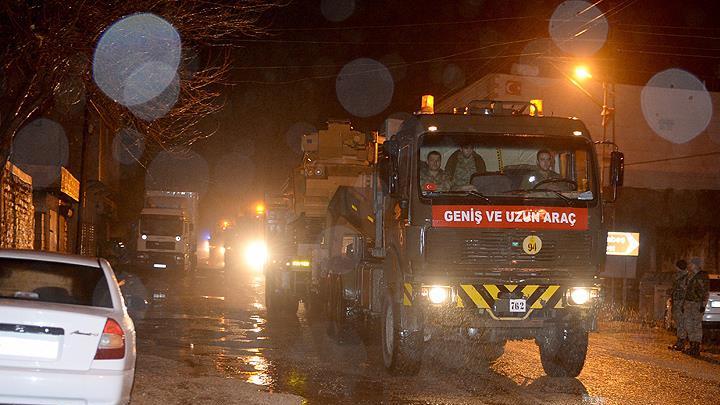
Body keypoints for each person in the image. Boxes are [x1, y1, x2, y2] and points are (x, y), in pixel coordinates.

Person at [681, 257, 709, 356]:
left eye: (691, 264)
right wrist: (684, 304)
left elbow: (705, 292)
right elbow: (686, 291)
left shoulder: (702, 276)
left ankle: (696, 346)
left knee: (696, 325)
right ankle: (692, 344)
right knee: (687, 324)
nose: (689, 265)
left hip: (696, 303)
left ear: (696, 265)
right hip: (689, 303)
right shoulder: (691, 275)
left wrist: (703, 304)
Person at [668, 259, 689, 351]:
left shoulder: (686, 277)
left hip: (682, 302)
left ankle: (681, 342)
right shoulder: (680, 276)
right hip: (678, 301)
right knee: (679, 322)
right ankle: (680, 341)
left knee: (681, 323)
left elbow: (685, 290)